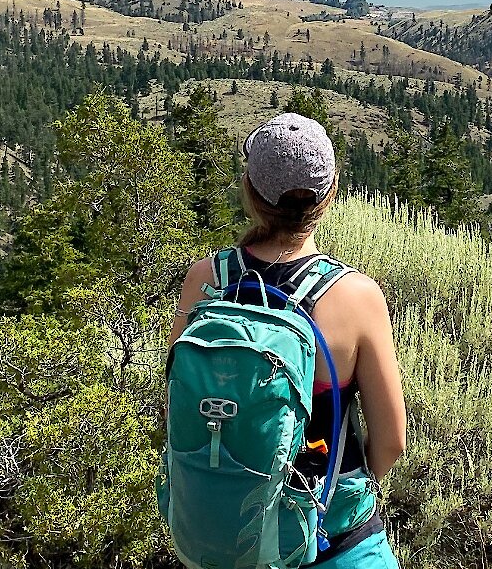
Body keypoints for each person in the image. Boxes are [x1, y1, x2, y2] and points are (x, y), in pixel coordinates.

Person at [166, 112, 408, 568]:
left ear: (250, 192)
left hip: (227, 536)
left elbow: (177, 394)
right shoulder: (353, 296)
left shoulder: (206, 278)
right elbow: (392, 438)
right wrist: (339, 497)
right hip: (332, 540)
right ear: (330, 195)